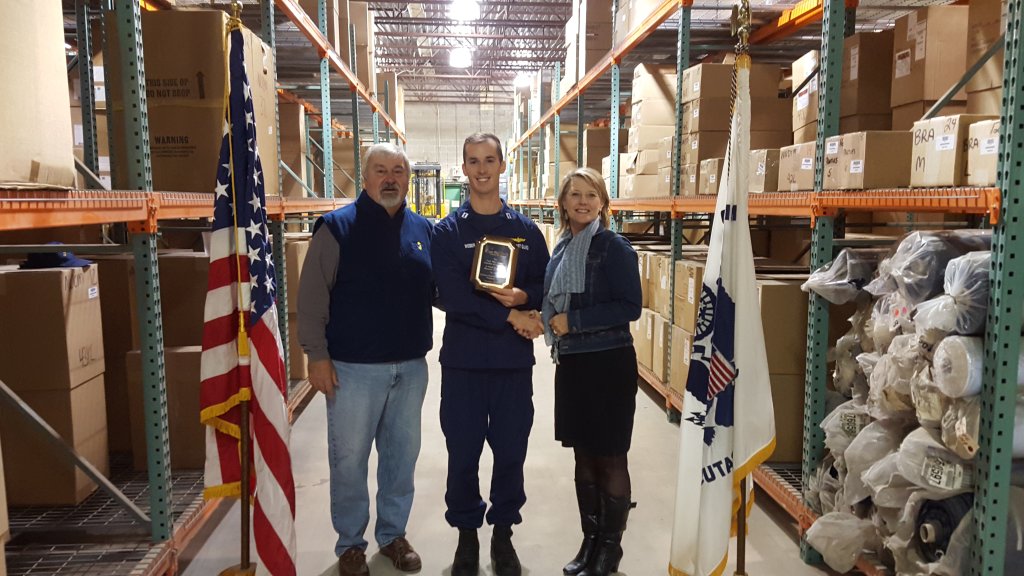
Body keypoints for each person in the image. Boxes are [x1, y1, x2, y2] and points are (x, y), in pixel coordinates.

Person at [298, 143, 434, 576]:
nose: (390, 178)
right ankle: (351, 544)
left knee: (401, 457)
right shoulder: (336, 228)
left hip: (410, 369)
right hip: (353, 370)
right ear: (366, 175)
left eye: (398, 170)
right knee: (349, 459)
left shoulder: (422, 228)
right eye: (381, 170)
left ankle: (393, 535)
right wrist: (316, 356)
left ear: (408, 178)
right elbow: (312, 296)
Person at [430, 133, 549, 576]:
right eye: (473, 161)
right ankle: (466, 536)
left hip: (512, 366)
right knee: (462, 453)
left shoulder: (526, 231)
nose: (481, 169)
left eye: (489, 160)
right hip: (463, 364)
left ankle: (502, 534)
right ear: (464, 168)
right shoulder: (447, 232)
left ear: (503, 166)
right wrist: (509, 318)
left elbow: (545, 283)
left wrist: (524, 294)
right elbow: (452, 295)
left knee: (510, 452)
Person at [542, 167, 642, 576]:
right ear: (563, 203)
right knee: (583, 456)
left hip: (608, 363)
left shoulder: (614, 247)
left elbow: (629, 307)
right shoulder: (564, 247)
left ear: (603, 203)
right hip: (574, 364)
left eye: (591, 195)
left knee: (611, 457)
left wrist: (574, 321)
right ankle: (590, 541)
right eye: (575, 195)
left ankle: (610, 550)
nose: (582, 202)